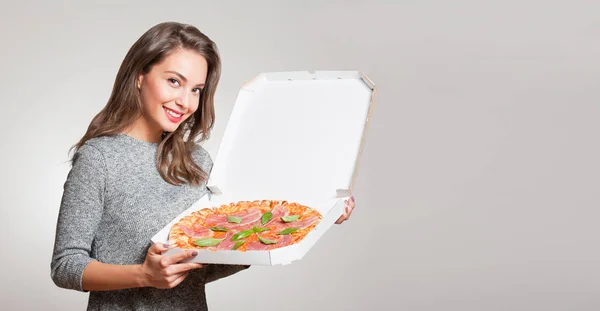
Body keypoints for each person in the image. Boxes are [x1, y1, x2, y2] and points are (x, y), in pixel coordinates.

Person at [50, 21, 356, 310]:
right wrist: (144, 275)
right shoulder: (99, 158)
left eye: (196, 89)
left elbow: (201, 269)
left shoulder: (197, 162)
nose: (185, 101)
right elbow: (66, 265)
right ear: (139, 76)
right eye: (174, 81)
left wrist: (312, 218)